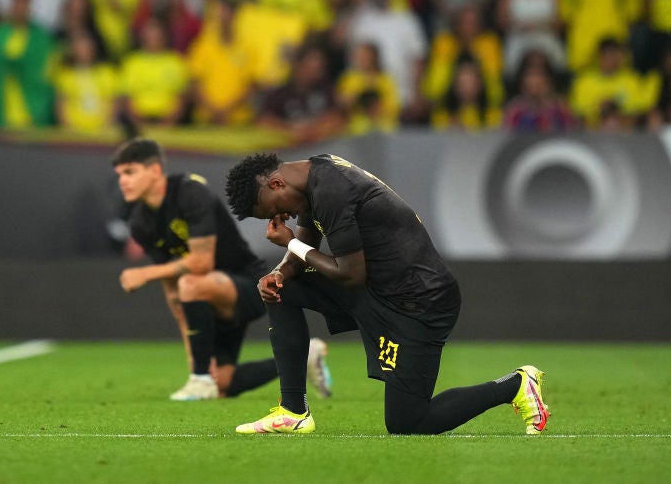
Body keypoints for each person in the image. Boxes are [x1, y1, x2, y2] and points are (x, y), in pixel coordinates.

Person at [223, 152, 549, 435]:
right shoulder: (310, 181)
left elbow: (349, 273)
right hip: (380, 290)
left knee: (408, 422)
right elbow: (308, 247)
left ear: (276, 184)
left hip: (419, 302)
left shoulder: (333, 189)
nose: (281, 219)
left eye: (272, 211)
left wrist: (290, 243)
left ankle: (516, 385)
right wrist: (279, 271)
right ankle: (293, 412)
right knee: (282, 289)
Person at [113, 138, 332, 402]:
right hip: (203, 300)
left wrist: (144, 273)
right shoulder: (140, 222)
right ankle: (307, 355)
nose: (123, 181)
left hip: (247, 284)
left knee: (191, 283)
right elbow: (173, 289)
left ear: (155, 170)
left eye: (130, 172)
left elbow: (201, 262)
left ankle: (201, 381)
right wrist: (196, 359)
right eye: (120, 175)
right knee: (223, 385)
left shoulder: (189, 192)